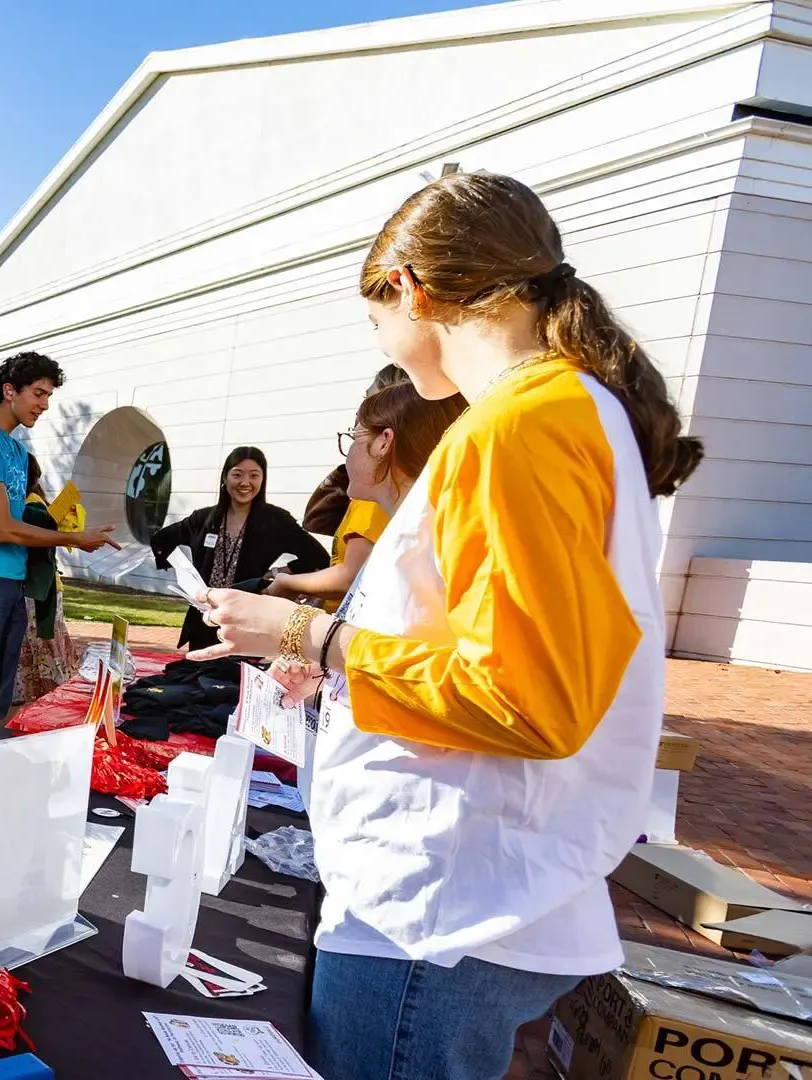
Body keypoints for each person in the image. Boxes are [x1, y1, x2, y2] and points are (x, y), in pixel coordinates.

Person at [193, 172, 701, 1080]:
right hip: (456, 892)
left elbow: (528, 696)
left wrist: (305, 637)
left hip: (440, 904)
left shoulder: (525, 424)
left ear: (413, 289)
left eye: (377, 316)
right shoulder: (556, 413)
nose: (384, 340)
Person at [0, 352, 119, 751]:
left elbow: (23, 521)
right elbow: (2, 528)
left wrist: (66, 528)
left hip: (12, 583)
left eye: (48, 396)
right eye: (38, 393)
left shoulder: (16, 452)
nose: (44, 404)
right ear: (9, 391)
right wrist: (74, 539)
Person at [270, 385, 466, 609]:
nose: (349, 452)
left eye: (354, 436)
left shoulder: (420, 548)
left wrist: (292, 628)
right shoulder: (427, 529)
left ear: (383, 442)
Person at [148, 447, 328, 652]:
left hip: (248, 621)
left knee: (235, 678)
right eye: (237, 475)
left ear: (263, 480)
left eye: (254, 476)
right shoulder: (204, 519)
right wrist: (185, 574)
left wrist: (279, 573)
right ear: (225, 478)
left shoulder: (276, 521)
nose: (245, 483)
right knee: (197, 673)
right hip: (204, 620)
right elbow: (161, 541)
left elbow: (319, 558)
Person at [301, 364, 409, 536]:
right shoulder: (368, 488)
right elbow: (317, 520)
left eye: (369, 400)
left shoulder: (380, 494)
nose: (360, 410)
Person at [15, 457, 78, 704]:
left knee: (43, 644)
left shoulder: (31, 506)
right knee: (42, 644)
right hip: (40, 588)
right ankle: (38, 695)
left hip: (38, 591)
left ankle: (52, 697)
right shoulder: (32, 504)